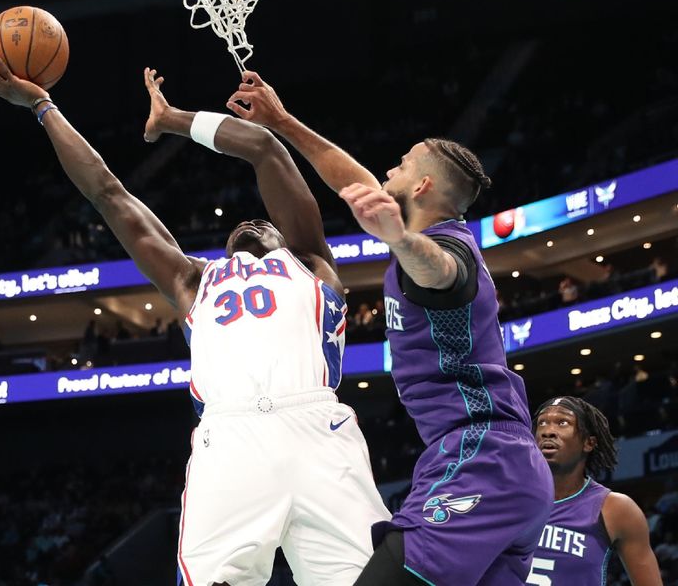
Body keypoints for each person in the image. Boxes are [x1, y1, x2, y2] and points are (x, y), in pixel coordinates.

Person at [0, 56, 389, 586]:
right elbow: (107, 194)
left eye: (265, 221)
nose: (252, 221)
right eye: (243, 224)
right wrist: (42, 106)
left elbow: (264, 149)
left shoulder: (311, 263)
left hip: (319, 431)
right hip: (229, 438)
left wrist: (174, 120)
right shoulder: (193, 281)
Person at [227, 72, 553, 585]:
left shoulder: (448, 250)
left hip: (481, 457)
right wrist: (281, 121)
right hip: (498, 465)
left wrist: (400, 238)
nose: (387, 169)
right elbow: (348, 179)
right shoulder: (439, 230)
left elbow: (439, 271)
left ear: (421, 186)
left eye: (401, 165)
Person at [532, 396, 662, 585]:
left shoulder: (616, 509)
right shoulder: (510, 499)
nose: (548, 432)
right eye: (542, 423)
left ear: (589, 443)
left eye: (562, 422)